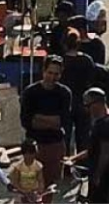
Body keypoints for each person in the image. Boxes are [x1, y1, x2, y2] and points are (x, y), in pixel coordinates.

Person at [19, 57, 72, 194]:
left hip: (55, 145)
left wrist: (39, 117)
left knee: (49, 187)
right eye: (50, 73)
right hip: (34, 146)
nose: (52, 77)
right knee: (29, 186)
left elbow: (63, 122)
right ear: (43, 71)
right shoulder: (31, 92)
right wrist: (52, 121)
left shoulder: (64, 93)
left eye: (56, 74)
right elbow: (27, 121)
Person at [69, 87, 109, 204]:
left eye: (87, 106)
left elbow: (105, 153)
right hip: (107, 173)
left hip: (104, 176)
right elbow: (94, 149)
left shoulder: (106, 125)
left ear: (98, 103)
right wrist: (73, 158)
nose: (87, 110)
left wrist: (97, 176)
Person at [61, 28, 98, 150]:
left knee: (64, 137)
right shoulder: (86, 60)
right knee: (83, 137)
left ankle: (65, 165)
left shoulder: (61, 61)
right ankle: (82, 164)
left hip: (66, 104)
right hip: (83, 102)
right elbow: (92, 81)